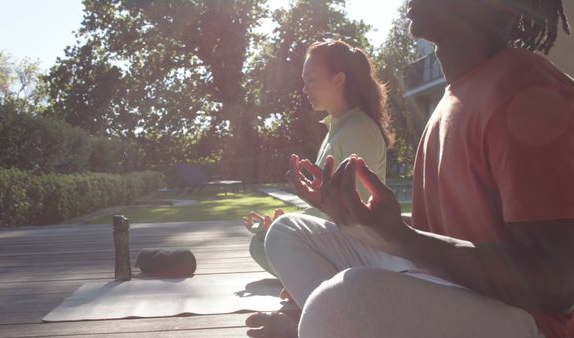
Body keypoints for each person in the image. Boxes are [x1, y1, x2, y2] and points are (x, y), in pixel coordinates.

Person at [246, 0, 574, 337]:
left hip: (523, 321)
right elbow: (448, 236)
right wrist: (366, 222)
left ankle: (318, 324)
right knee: (288, 232)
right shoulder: (455, 95)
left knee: (342, 300)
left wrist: (403, 238)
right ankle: (320, 325)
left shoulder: (527, 92)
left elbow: (556, 285)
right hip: (447, 286)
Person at [243, 40, 392, 277]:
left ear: (338, 79)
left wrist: (292, 229)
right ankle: (302, 273)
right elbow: (326, 205)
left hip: (356, 253)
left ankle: (314, 278)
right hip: (334, 241)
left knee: (265, 244)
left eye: (311, 80)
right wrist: (281, 222)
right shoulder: (337, 127)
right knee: (263, 241)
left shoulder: (359, 130)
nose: (305, 89)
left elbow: (356, 217)